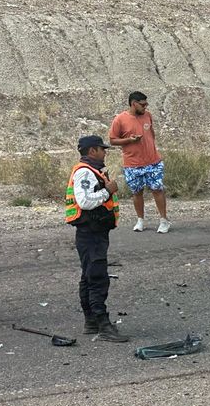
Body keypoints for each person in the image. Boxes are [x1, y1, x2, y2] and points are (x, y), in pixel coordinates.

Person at [66, 135, 127, 343]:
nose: (104, 152)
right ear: (92, 151)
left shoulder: (90, 171)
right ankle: (103, 325)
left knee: (88, 276)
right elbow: (84, 202)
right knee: (97, 278)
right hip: (91, 233)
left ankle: (90, 322)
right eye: (102, 149)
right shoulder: (85, 172)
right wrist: (107, 191)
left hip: (92, 232)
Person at [109, 91, 170, 233]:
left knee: (157, 189)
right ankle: (140, 220)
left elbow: (151, 133)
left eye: (146, 104)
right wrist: (129, 140)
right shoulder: (119, 119)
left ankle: (164, 220)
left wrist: (152, 148)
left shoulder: (148, 115)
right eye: (143, 104)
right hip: (132, 164)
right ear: (133, 103)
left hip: (153, 162)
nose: (145, 107)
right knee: (137, 192)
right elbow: (112, 140)